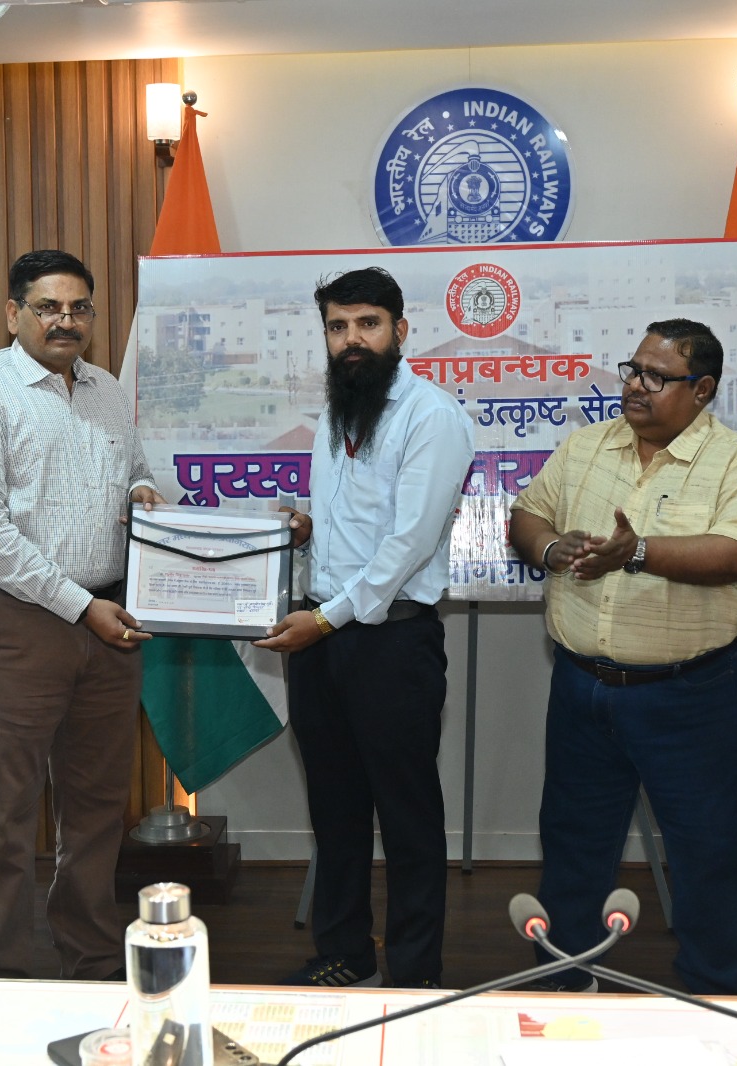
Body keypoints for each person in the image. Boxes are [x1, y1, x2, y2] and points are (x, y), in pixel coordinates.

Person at [510, 319, 737, 995]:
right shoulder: (586, 447)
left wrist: (636, 551)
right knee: (572, 850)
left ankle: (712, 1002)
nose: (635, 385)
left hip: (696, 696)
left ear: (703, 390)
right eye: (632, 370)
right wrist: (551, 549)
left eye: (656, 377)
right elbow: (526, 513)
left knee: (709, 859)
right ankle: (565, 992)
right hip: (583, 690)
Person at [0, 249, 165, 980]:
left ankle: (91, 960)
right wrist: (79, 606)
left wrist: (143, 492)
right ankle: (1, 972)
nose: (66, 321)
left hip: (110, 619)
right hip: (16, 622)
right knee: (4, 812)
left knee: (97, 807)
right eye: (48, 307)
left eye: (79, 308)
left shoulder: (105, 391)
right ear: (14, 314)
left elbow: (135, 471)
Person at [255, 266, 475, 989]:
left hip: (391, 643)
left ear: (400, 331)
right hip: (323, 639)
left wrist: (323, 620)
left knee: (407, 816)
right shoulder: (336, 412)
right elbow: (353, 528)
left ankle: (414, 972)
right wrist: (306, 530)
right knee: (335, 808)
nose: (352, 339)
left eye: (368, 324)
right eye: (338, 326)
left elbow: (407, 545)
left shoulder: (431, 416)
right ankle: (345, 956)